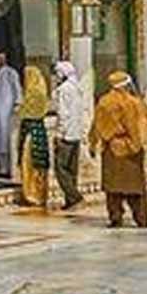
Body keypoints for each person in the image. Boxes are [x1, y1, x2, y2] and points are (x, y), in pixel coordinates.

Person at [89, 71, 147, 227]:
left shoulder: (104, 102)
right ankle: (141, 218)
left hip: (111, 150)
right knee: (135, 187)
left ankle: (115, 218)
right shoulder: (134, 102)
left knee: (113, 189)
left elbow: (96, 125)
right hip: (132, 149)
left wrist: (92, 144)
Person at [51, 61, 86, 211]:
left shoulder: (63, 90)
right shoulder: (77, 88)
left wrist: (59, 134)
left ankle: (75, 197)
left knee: (61, 169)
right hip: (76, 134)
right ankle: (71, 201)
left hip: (66, 135)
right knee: (72, 170)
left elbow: (63, 114)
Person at [16, 65, 52, 208]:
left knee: (29, 165)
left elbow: (24, 113)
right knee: (39, 164)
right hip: (39, 132)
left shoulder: (32, 94)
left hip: (31, 134)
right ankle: (40, 194)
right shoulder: (41, 92)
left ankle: (31, 194)